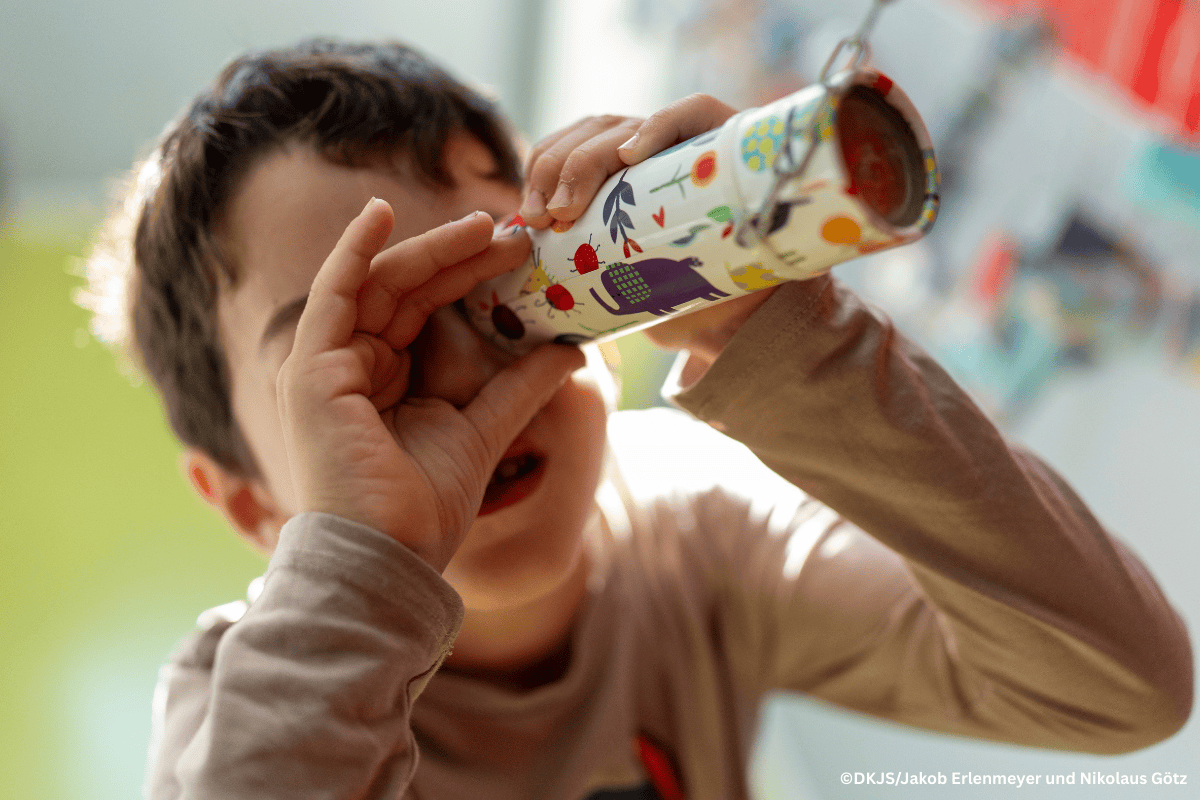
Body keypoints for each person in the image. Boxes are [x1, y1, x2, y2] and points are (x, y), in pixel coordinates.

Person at [82, 38, 1191, 800]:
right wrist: (361, 566)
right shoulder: (254, 701)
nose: (462, 372)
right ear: (248, 501)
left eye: (507, 292)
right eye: (359, 348)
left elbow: (1118, 685)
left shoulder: (698, 527)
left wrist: (797, 345)